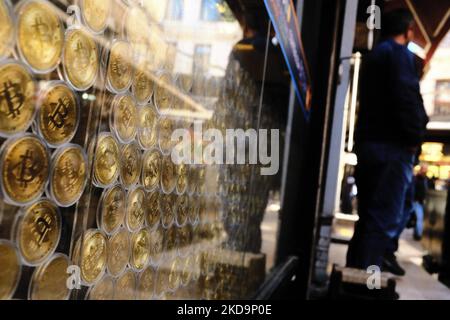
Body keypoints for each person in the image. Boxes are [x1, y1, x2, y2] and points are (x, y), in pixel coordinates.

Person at [346, 8, 429, 271]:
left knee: (368, 218)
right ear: (408, 31)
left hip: (369, 144)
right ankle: (365, 286)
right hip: (392, 149)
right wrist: (415, 137)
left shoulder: (375, 56)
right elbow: (407, 99)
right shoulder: (399, 56)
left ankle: (355, 278)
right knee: (383, 219)